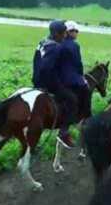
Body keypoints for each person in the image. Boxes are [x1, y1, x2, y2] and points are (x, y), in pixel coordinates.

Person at [32, 20, 78, 148]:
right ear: (57, 34)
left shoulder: (42, 42)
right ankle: (63, 132)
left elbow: (36, 62)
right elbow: (48, 69)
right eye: (63, 34)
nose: (65, 36)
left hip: (36, 80)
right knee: (72, 99)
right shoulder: (55, 47)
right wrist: (59, 84)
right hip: (47, 83)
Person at [60, 20, 91, 136]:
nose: (77, 33)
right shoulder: (74, 45)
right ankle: (85, 118)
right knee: (86, 90)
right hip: (70, 78)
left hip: (59, 77)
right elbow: (78, 64)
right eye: (75, 31)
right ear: (69, 32)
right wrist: (82, 78)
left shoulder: (59, 42)